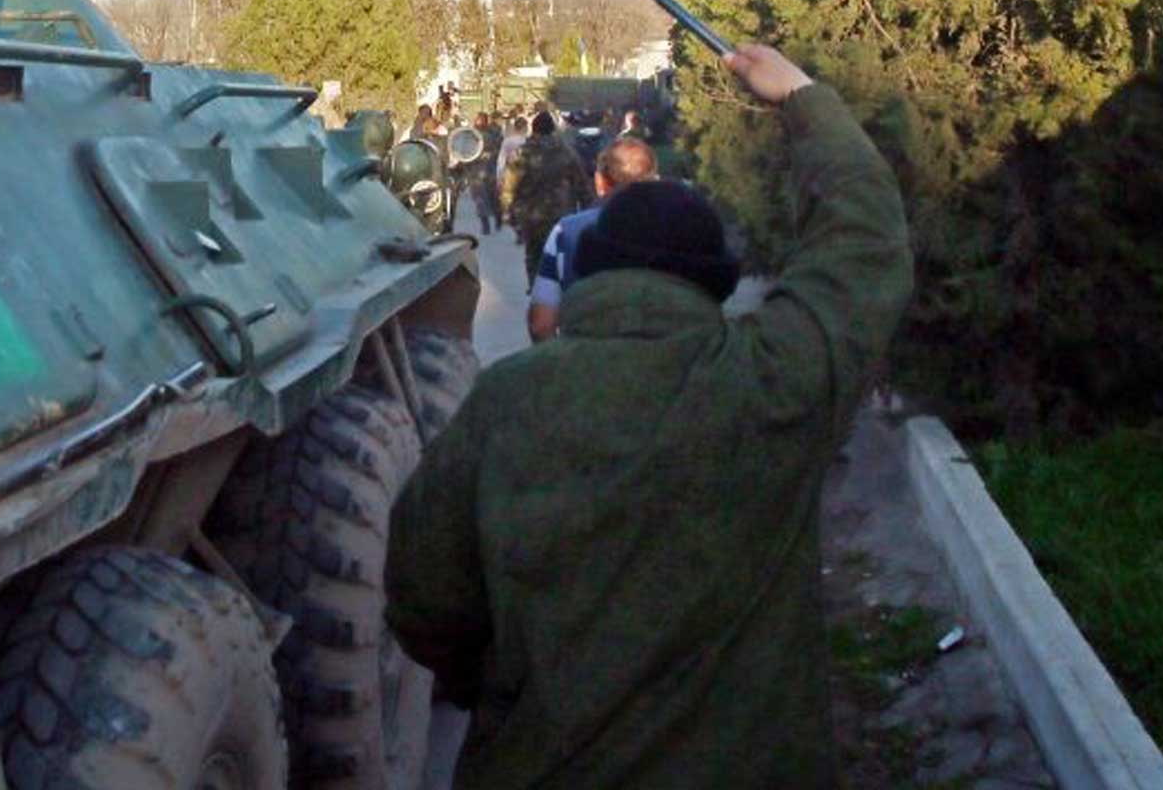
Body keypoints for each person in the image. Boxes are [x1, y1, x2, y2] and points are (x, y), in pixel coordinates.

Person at [384, 44, 912, 790]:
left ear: (592, 270)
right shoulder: (771, 383)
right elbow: (865, 245)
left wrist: (515, 687)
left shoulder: (505, 403)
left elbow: (423, 597)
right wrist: (800, 97)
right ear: (715, 282)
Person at [526, 135, 658, 342]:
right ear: (655, 180)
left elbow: (541, 323)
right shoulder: (680, 228)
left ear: (600, 182)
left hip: (586, 363)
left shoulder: (566, 232)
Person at [498, 110, 591, 284]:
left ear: (534, 129)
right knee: (559, 254)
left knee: (533, 253)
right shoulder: (566, 152)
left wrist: (508, 213)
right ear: (552, 130)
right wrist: (587, 210)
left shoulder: (521, 153)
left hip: (530, 216)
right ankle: (557, 287)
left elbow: (508, 188)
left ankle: (535, 287)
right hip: (561, 214)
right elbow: (582, 184)